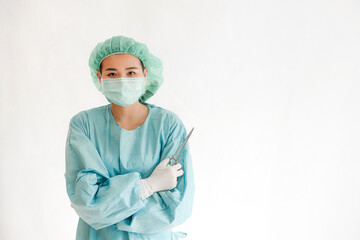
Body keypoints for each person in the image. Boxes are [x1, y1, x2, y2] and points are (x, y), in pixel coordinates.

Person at [64, 35, 195, 240]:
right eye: (112, 73)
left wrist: (107, 209)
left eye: (131, 72)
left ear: (145, 74)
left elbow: (177, 207)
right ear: (100, 77)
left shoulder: (168, 125)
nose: (122, 80)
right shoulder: (84, 125)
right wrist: (147, 187)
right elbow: (86, 200)